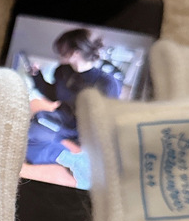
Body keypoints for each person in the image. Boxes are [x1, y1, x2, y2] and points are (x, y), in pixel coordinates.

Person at [26, 28, 122, 188]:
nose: (58, 53)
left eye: (62, 49)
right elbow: (54, 95)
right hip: (62, 119)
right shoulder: (62, 71)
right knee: (27, 137)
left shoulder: (107, 83)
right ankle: (71, 160)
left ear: (75, 53)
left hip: (87, 130)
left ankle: (81, 162)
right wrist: (36, 76)